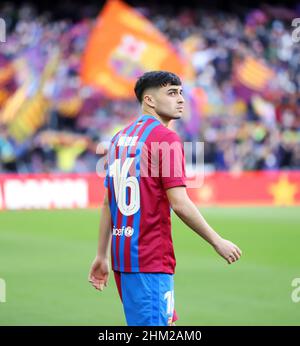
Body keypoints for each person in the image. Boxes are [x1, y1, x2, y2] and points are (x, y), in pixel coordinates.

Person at [88, 71, 242, 326]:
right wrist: (217, 241)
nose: (180, 99)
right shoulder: (166, 139)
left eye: (181, 92)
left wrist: (102, 255)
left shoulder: (118, 140)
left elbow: (108, 202)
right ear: (149, 100)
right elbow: (180, 204)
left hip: (124, 259)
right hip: (150, 260)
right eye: (171, 93)